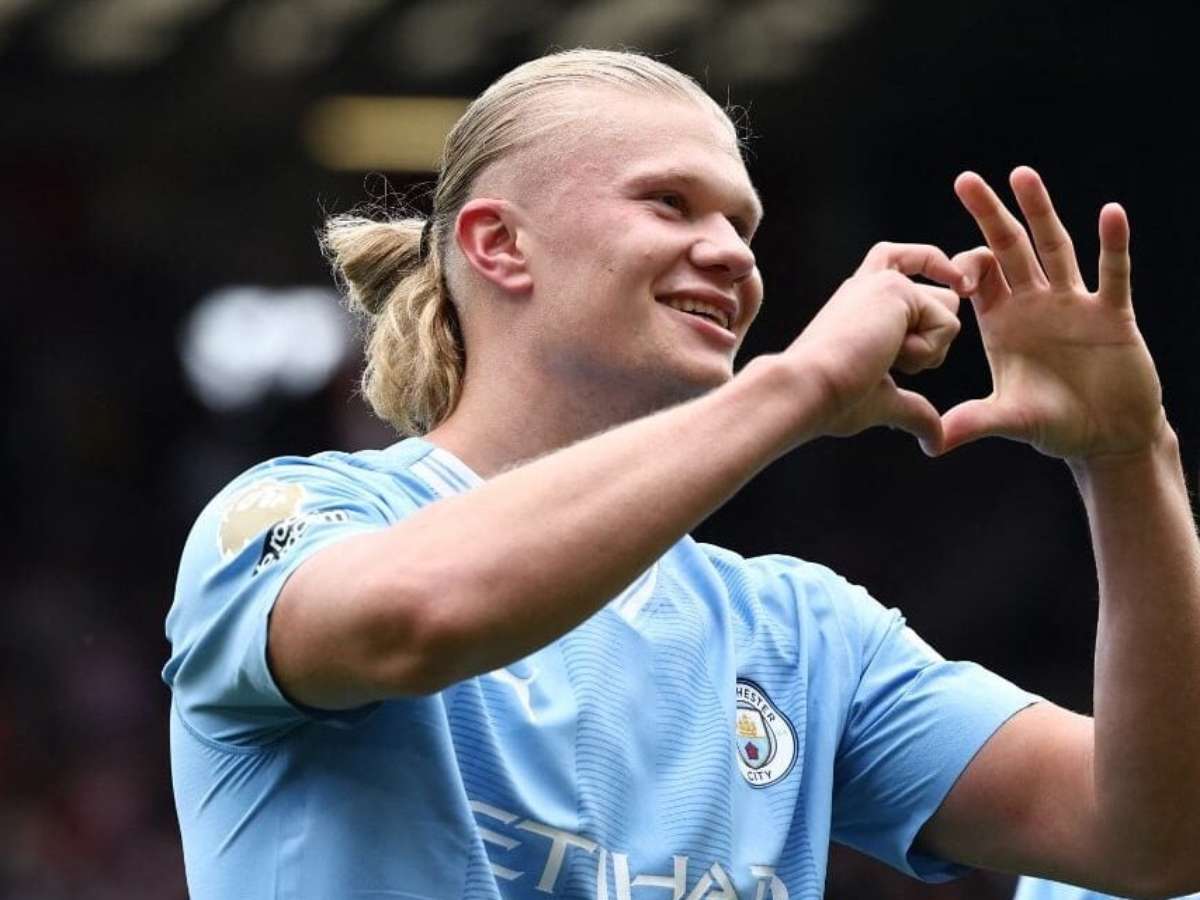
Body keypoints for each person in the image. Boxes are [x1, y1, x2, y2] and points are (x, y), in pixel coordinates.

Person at [163, 48, 1200, 899]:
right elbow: (413, 619)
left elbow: (1144, 843)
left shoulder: (802, 636)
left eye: (743, 226)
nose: (734, 254)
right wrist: (795, 389)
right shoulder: (290, 518)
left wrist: (1131, 458)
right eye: (670, 203)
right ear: (498, 245)